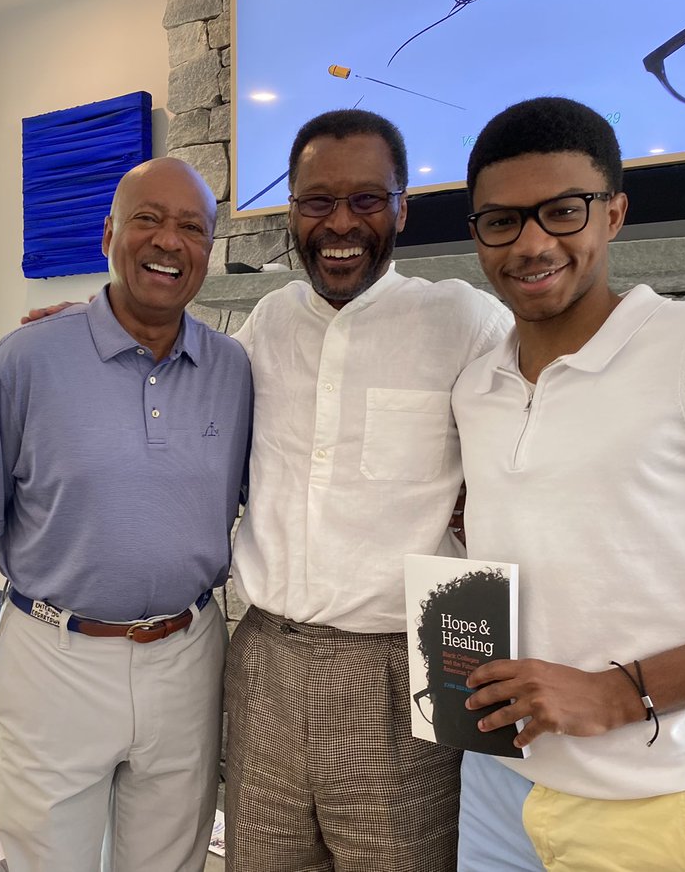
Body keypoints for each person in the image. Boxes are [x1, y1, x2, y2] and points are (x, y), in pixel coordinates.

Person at [452, 95, 685, 871]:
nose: (532, 243)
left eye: (562, 211)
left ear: (613, 214)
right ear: (477, 236)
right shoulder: (477, 385)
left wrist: (619, 693)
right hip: (501, 786)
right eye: (502, 220)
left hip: (662, 802)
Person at [0, 156, 252, 872]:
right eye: (148, 219)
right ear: (108, 233)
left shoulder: (236, 370)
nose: (169, 241)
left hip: (190, 655)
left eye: (192, 227)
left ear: (209, 249)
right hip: (53, 658)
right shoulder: (23, 361)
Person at [223, 108, 510, 871]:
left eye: (366, 200)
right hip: (263, 664)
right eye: (317, 202)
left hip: (399, 669)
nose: (340, 223)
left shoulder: (464, 320)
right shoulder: (265, 326)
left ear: (402, 208)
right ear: (292, 210)